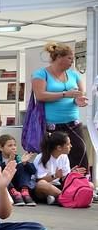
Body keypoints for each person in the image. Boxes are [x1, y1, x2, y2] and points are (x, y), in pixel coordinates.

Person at [32, 42, 88, 170]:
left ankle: (81, 185)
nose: (72, 62)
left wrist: (78, 101)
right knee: (55, 156)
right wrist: (64, 94)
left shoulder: (74, 75)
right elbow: (40, 95)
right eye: (69, 58)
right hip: (53, 124)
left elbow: (79, 94)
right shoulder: (41, 74)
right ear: (58, 57)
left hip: (73, 122)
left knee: (80, 151)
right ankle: (58, 184)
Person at [32, 131, 90, 204]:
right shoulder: (41, 157)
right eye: (68, 144)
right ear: (59, 147)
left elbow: (64, 178)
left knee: (89, 185)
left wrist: (72, 174)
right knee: (41, 184)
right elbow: (39, 180)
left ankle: (58, 198)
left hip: (58, 186)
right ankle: (68, 198)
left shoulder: (64, 156)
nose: (71, 146)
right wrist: (55, 176)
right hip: (44, 189)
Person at [0, 134, 37, 206]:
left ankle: (24, 191)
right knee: (1, 172)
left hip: (17, 182)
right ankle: (13, 192)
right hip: (5, 185)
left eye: (14, 145)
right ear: (1, 147)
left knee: (22, 166)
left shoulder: (17, 157)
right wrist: (7, 163)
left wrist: (25, 163)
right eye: (10, 146)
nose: (13, 148)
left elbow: (33, 171)